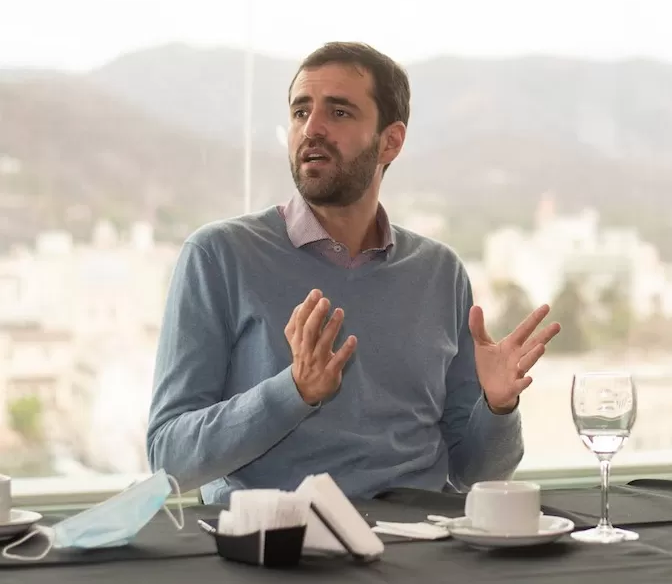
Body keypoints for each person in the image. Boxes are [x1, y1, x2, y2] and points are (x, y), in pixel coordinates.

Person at [146, 42, 561, 504]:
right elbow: (169, 460)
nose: (312, 129)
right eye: (300, 111)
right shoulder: (218, 255)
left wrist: (499, 406)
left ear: (391, 141)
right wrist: (294, 391)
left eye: (339, 113)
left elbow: (473, 473)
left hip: (422, 545)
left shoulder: (440, 272)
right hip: (278, 548)